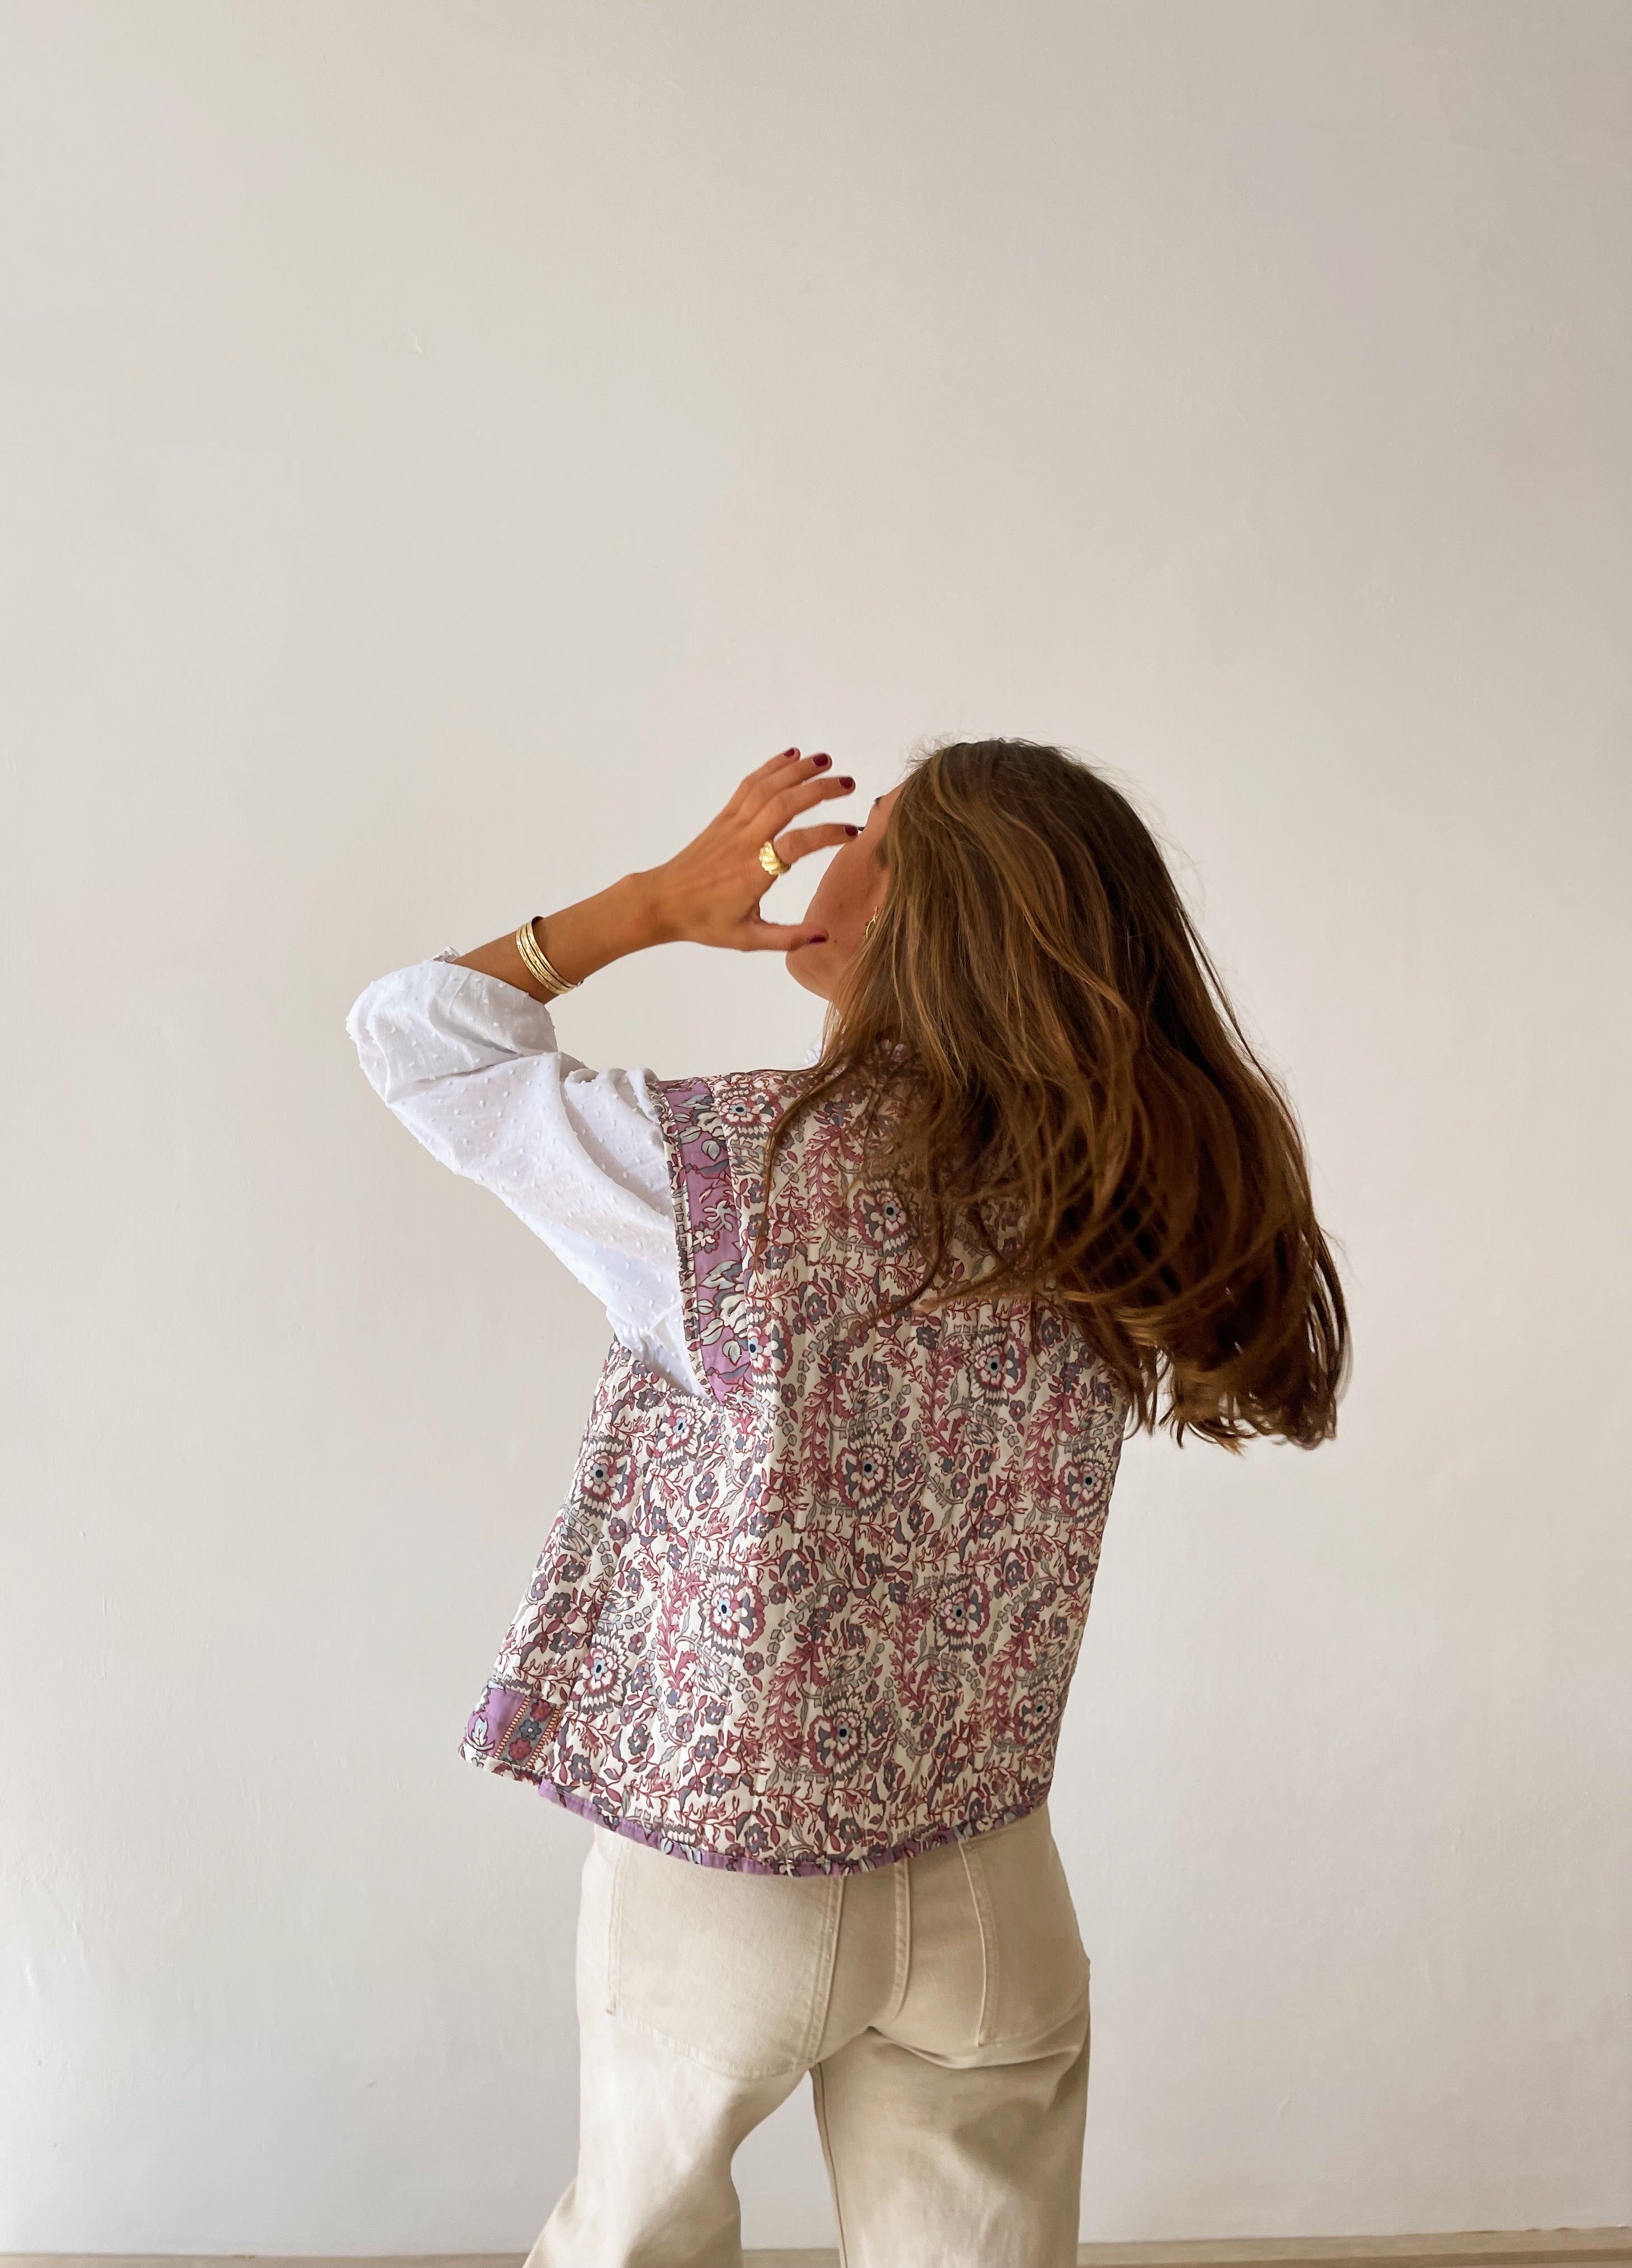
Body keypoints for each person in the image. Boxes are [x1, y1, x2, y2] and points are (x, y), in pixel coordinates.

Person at [347, 739, 1348, 2268]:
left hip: (722, 1882)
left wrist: (641, 909)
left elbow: (415, 1039)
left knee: (633, 2244)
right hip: (987, 1872)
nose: (813, 864)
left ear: (916, 911)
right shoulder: (1104, 1194)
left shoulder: (721, 1175)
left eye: (865, 841)